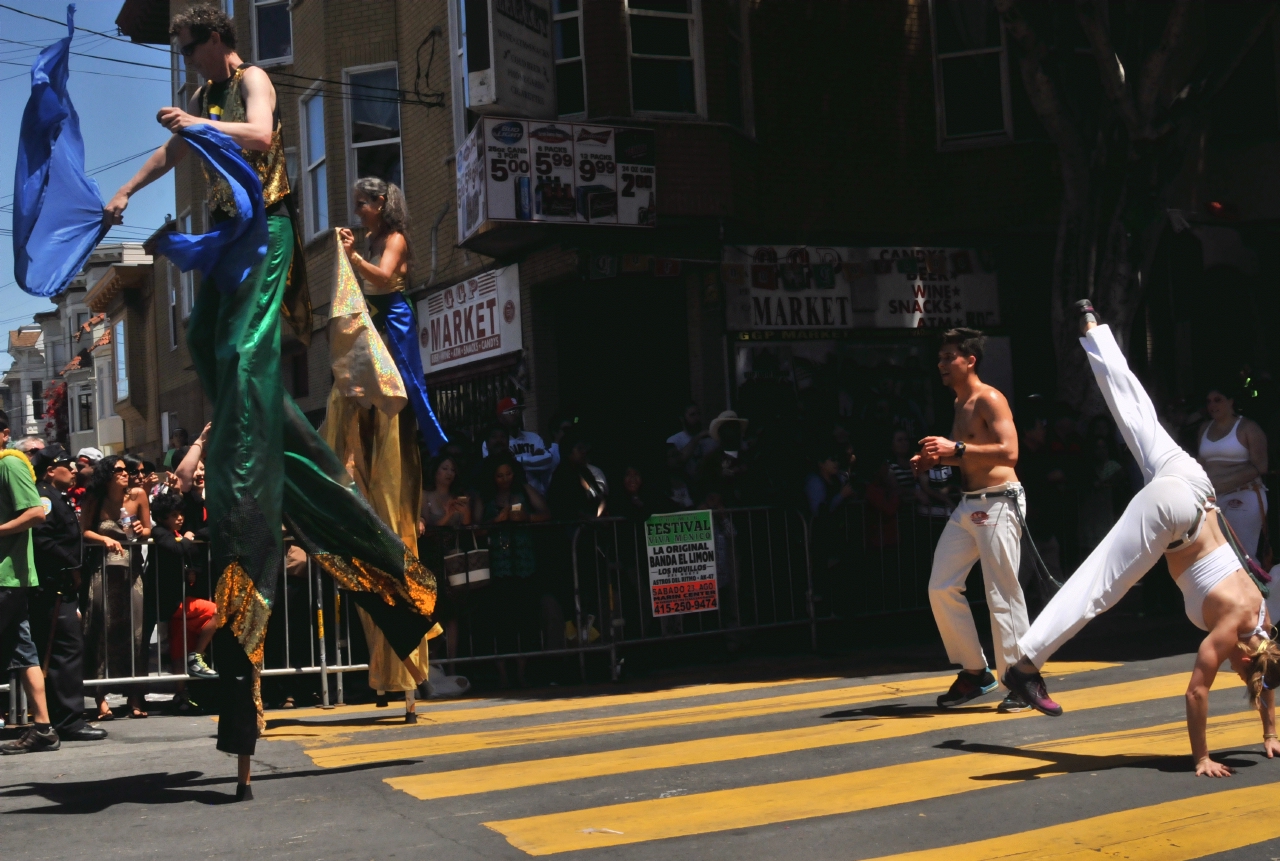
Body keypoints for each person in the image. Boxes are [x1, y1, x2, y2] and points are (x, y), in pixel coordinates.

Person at [105, 5, 439, 799]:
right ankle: (387, 571)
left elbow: (256, 137)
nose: (187, 64)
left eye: (191, 49)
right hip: (227, 243)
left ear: (219, 40)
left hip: (270, 235)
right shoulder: (201, 98)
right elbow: (172, 147)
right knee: (235, 382)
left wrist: (197, 120)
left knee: (249, 374)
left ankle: (249, 460)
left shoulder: (249, 78)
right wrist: (125, 189)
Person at [1004, 303, 1280, 779]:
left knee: (1137, 413)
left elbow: (1265, 679)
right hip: (1179, 513)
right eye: (1239, 668)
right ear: (1246, 654)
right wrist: (1201, 758)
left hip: (1193, 481)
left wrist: (1271, 733)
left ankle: (1094, 328)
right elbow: (1197, 692)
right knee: (1101, 585)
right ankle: (1024, 666)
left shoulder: (1264, 621)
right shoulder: (1232, 631)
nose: (1234, 670)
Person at [913, 328, 1032, 713]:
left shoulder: (989, 397)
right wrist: (938, 459)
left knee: (1002, 592)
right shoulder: (960, 403)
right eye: (941, 358)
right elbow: (968, 455)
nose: (942, 364)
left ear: (970, 360)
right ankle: (974, 671)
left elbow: (1010, 452)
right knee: (941, 586)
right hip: (969, 504)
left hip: (999, 502)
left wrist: (956, 448)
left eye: (949, 357)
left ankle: (1020, 678)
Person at [26, 444, 107, 743]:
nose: (73, 469)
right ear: (50, 470)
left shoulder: (56, 497)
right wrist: (72, 567)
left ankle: (64, 716)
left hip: (62, 586)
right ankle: (69, 720)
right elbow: (43, 541)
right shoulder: (44, 497)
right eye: (67, 464)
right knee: (64, 653)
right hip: (55, 586)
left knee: (65, 652)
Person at [0, 413, 57, 754]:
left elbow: (36, 512)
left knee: (22, 649)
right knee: (22, 650)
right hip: (8, 576)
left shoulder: (11, 464)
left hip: (6, 575)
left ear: (5, 433)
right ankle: (43, 727)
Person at [79, 453, 151, 720]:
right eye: (119, 470)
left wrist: (140, 530)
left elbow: (148, 530)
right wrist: (103, 539)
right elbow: (84, 530)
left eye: (126, 470)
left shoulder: (137, 496)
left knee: (135, 630)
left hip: (131, 571)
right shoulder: (94, 498)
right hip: (102, 569)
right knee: (100, 629)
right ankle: (100, 698)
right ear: (107, 474)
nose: (125, 474)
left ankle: (135, 696)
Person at [475, 452, 550, 687]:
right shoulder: (485, 498)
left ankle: (525, 673)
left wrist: (526, 517)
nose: (505, 479)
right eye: (499, 476)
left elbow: (546, 514)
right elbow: (476, 529)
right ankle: (505, 676)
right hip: (499, 567)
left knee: (527, 621)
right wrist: (497, 521)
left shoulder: (524, 492)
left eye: (508, 474)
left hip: (525, 564)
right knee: (503, 624)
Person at [147, 490, 218, 682]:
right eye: (174, 516)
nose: (179, 519)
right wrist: (187, 537)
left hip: (181, 598)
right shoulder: (160, 532)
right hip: (169, 600)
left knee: (179, 644)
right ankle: (196, 656)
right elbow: (176, 548)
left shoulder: (177, 533)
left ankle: (181, 694)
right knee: (217, 612)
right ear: (162, 518)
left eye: (181, 514)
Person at [1197, 382, 1269, 559]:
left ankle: (1252, 586)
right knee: (1215, 556)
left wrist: (1226, 482)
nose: (1212, 405)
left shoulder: (1247, 427)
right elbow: (1201, 462)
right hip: (1212, 498)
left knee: (1241, 555)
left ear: (1231, 401)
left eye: (1217, 400)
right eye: (1209, 402)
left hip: (1243, 496)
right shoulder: (1204, 428)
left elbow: (1261, 466)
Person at [484, 398, 554, 495]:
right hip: (511, 496)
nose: (516, 414)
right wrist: (533, 459)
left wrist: (515, 460)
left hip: (538, 494)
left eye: (518, 411)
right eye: (511, 411)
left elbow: (547, 461)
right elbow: (497, 468)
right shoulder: (494, 443)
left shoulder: (534, 437)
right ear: (500, 417)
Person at [667, 403, 716, 483]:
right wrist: (698, 437)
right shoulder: (674, 440)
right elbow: (678, 462)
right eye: (692, 415)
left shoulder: (709, 439)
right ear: (682, 418)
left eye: (698, 414)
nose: (697, 418)